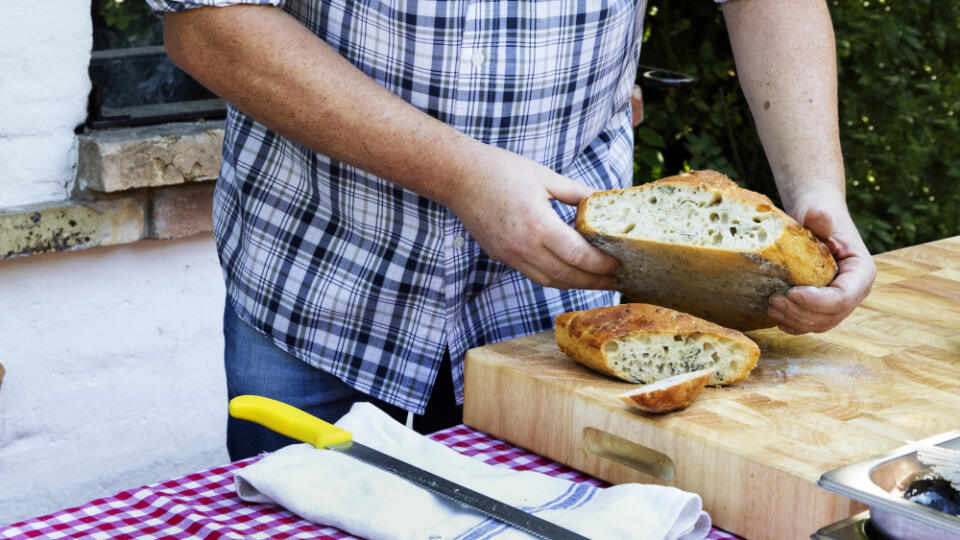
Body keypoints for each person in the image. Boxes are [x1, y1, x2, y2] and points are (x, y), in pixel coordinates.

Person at [147, 0, 876, 460]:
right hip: (321, 289)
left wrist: (817, 190)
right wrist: (460, 172)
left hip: (557, 325)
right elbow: (208, 22)